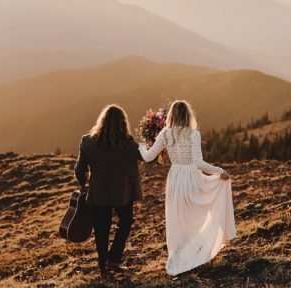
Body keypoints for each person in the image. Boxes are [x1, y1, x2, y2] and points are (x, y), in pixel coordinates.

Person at [138, 100, 236, 276]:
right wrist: (219, 171)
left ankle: (182, 254)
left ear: (172, 115)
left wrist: (141, 146)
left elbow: (147, 157)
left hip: (176, 178)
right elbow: (198, 163)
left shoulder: (165, 134)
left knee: (179, 216)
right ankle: (197, 250)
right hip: (191, 177)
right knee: (195, 214)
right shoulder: (193, 134)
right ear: (188, 115)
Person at [74, 104, 143, 277]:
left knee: (101, 230)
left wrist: (83, 183)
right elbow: (146, 156)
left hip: (98, 193)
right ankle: (114, 258)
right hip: (123, 193)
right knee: (125, 222)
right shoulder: (128, 144)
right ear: (123, 123)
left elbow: (79, 169)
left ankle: (103, 266)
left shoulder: (87, 141)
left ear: (102, 121)